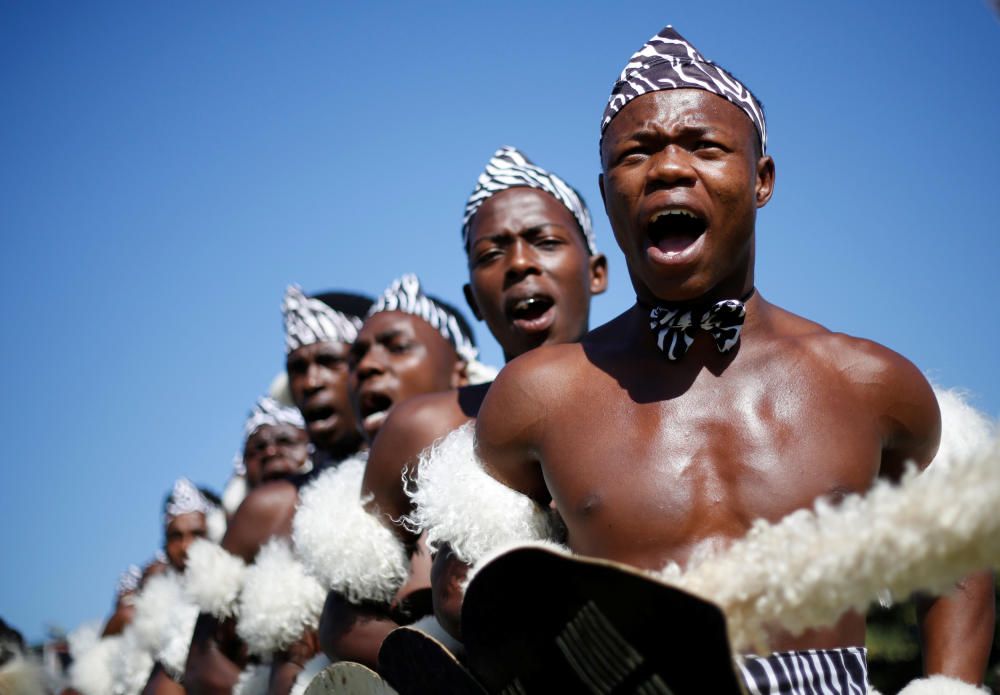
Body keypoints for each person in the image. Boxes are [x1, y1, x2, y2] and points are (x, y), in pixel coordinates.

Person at [466, 25, 994, 692]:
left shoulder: (870, 382)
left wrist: (948, 684)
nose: (668, 169)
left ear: (761, 178)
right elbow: (486, 600)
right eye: (638, 153)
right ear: (606, 197)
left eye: (704, 146)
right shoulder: (537, 396)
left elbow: (958, 549)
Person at [364, 145, 608, 643]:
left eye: (543, 241)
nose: (519, 264)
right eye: (491, 254)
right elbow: (343, 619)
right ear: (474, 299)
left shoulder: (659, 395)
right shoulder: (424, 427)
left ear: (597, 271)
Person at [183, 289, 371, 695]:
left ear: (366, 365)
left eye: (328, 361)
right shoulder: (269, 508)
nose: (310, 381)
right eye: (297, 368)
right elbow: (201, 664)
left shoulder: (421, 471)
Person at [292, 273, 484, 671]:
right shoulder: (344, 505)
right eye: (356, 357)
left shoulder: (508, 443)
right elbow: (339, 626)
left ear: (460, 373)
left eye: (396, 348)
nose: (368, 367)